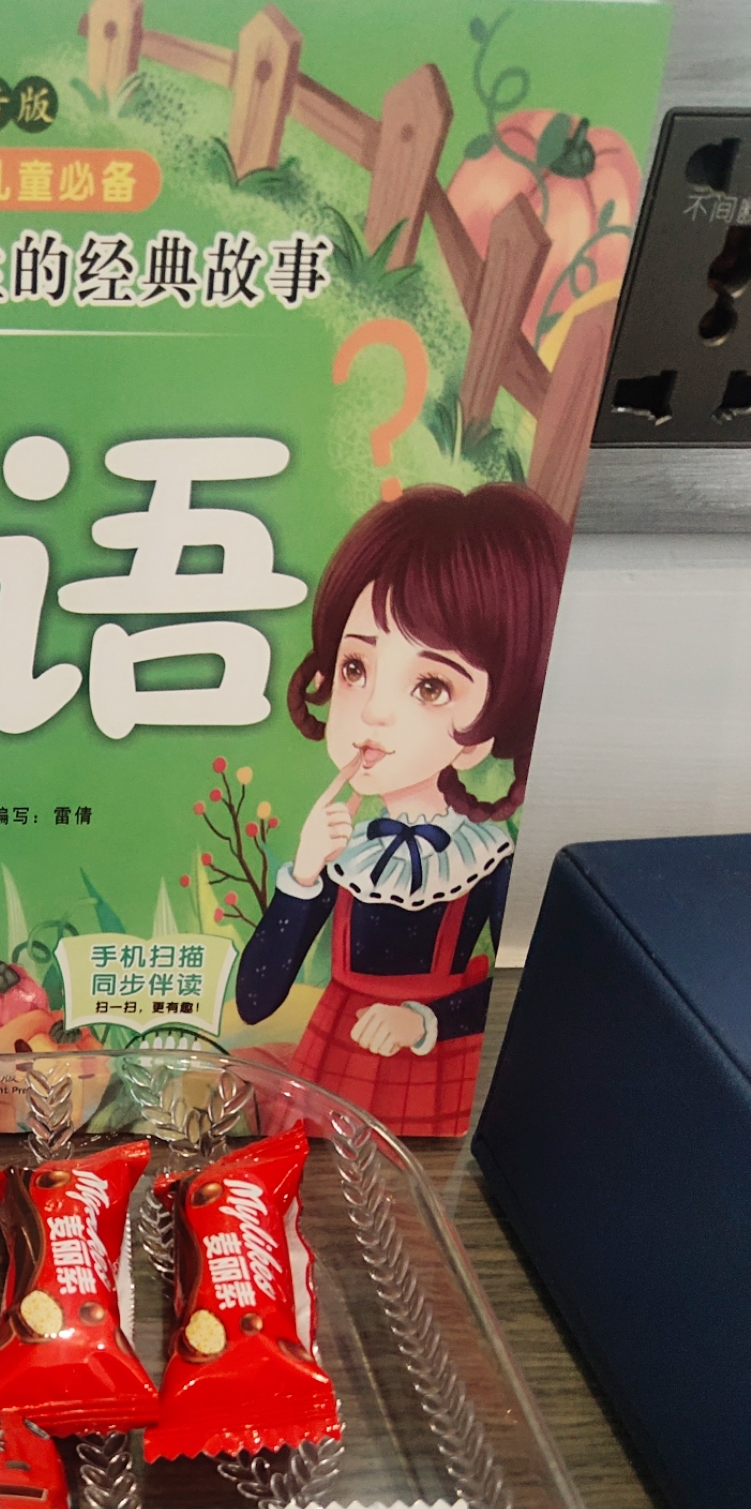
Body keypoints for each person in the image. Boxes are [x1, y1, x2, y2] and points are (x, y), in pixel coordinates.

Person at [234, 484, 570, 1136]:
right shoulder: (345, 851)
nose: (374, 711)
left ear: (491, 728)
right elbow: (255, 997)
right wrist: (303, 874)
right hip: (335, 1056)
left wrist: (425, 1021)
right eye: (356, 668)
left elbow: (526, 999)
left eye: (430, 685)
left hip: (435, 1068)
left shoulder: (487, 856)